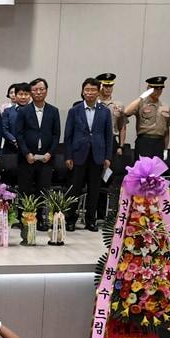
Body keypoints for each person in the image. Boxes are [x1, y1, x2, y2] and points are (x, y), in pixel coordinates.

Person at [64, 77, 114, 231]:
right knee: (75, 188)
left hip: (97, 155)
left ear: (98, 92)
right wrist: (68, 156)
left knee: (94, 189)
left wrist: (107, 157)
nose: (90, 93)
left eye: (93, 90)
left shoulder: (105, 112)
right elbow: (68, 135)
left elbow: (108, 136)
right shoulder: (74, 110)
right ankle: (70, 219)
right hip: (78, 154)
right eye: (87, 90)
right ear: (82, 91)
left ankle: (90, 220)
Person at [16, 78, 61, 229]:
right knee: (25, 189)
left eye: (41, 89)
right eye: (35, 90)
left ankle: (41, 218)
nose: (38, 92)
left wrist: (50, 153)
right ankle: (25, 218)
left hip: (46, 159)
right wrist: (26, 153)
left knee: (43, 189)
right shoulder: (23, 111)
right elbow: (19, 135)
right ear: (31, 92)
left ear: (46, 91)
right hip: (27, 158)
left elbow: (56, 135)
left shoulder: (53, 111)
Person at [123, 76, 170, 161]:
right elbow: (126, 112)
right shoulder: (141, 104)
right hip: (144, 141)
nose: (158, 91)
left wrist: (165, 149)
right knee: (142, 172)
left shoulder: (165, 106)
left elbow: (166, 130)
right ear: (149, 88)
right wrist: (141, 97)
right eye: (155, 88)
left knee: (155, 173)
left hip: (159, 143)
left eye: (161, 88)